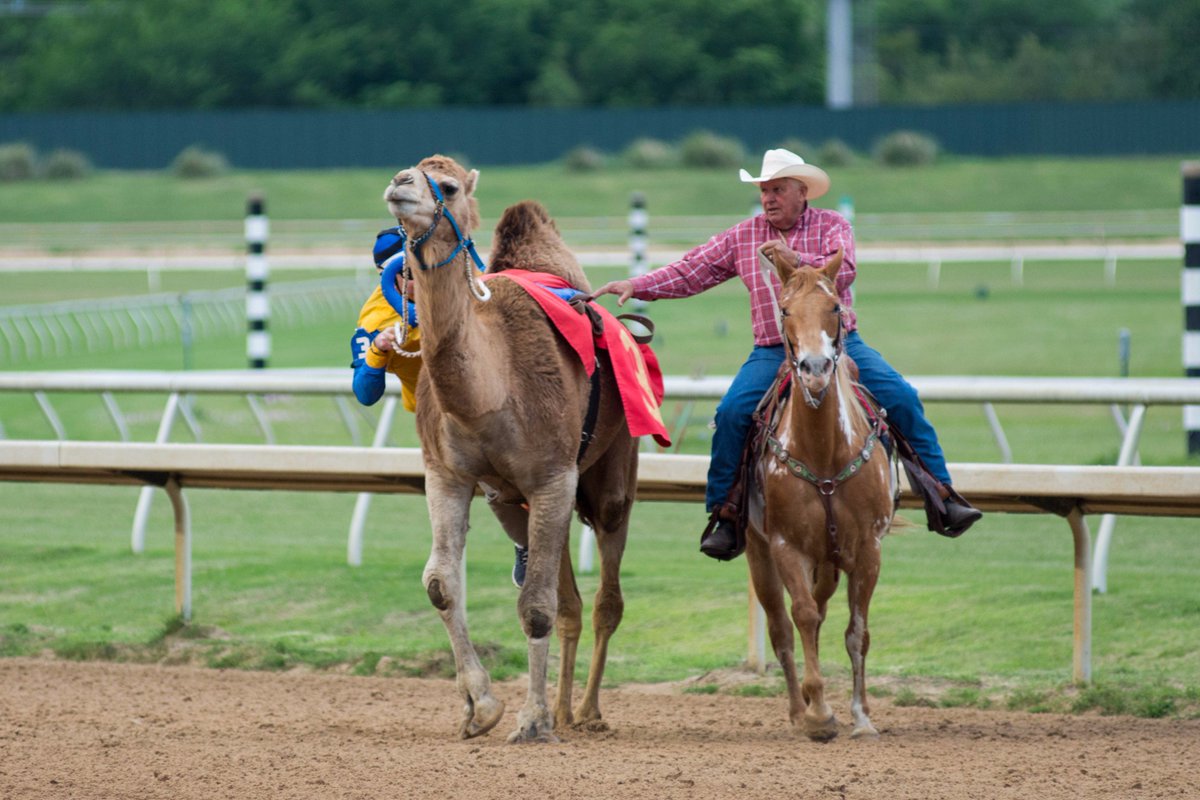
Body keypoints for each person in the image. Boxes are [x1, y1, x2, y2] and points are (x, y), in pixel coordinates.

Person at [589, 148, 982, 560]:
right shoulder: (744, 235)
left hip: (840, 344)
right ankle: (726, 513)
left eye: (777, 189)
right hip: (773, 351)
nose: (768, 198)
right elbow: (692, 270)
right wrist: (639, 285)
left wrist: (797, 262)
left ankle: (941, 495)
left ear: (802, 191)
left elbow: (843, 268)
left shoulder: (832, 226)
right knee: (732, 414)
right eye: (764, 190)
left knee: (901, 397)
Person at [350, 227, 529, 586]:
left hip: (505, 398)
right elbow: (365, 394)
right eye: (412, 273)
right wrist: (378, 350)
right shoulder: (374, 321)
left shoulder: (464, 284)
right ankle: (526, 544)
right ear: (390, 275)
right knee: (497, 485)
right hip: (446, 423)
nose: (426, 279)